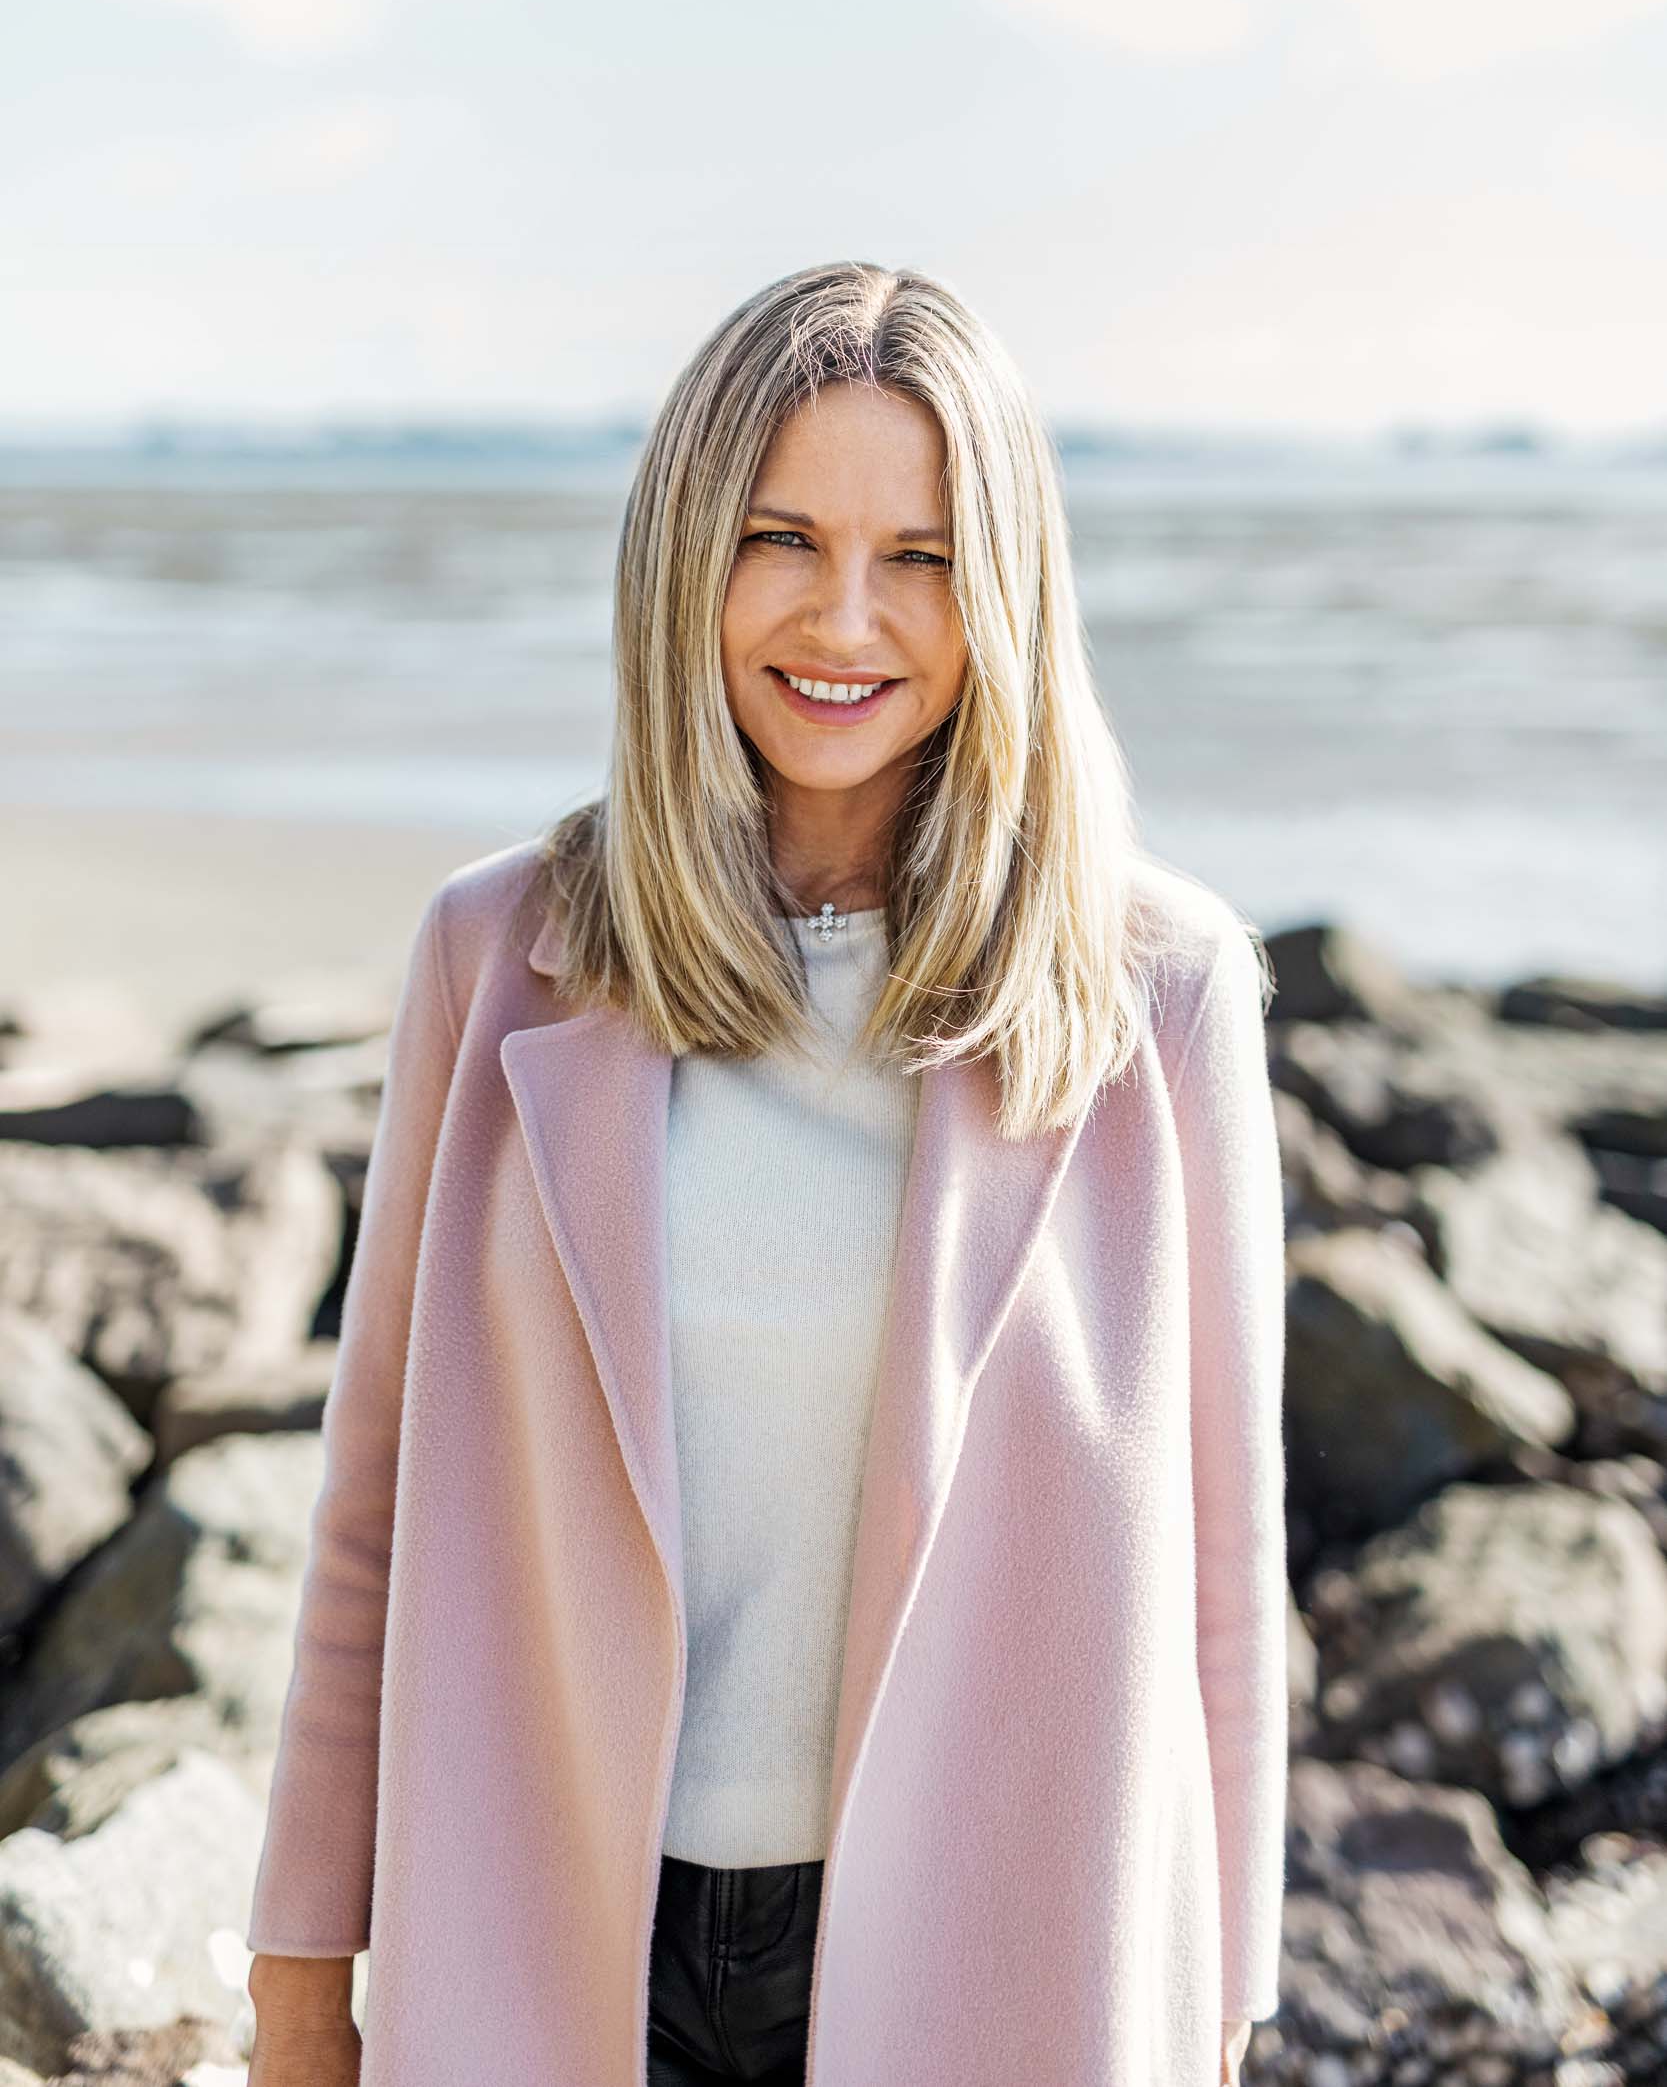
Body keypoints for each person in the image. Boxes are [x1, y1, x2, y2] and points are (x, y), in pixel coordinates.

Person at [244, 260, 1287, 2087]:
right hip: (553, 1940)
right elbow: (374, 1511)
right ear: (681, 560)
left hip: (994, 1953)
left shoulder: (1158, 992)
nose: (845, 617)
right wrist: (297, 1987)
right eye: (781, 536)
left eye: (925, 555)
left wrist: (1216, 2008)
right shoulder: (496, 955)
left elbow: (1223, 1561)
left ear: (1005, 592)